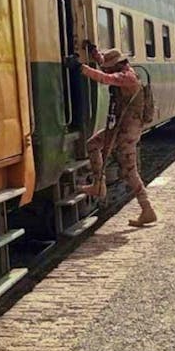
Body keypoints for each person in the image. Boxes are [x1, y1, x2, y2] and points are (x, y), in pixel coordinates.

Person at [65, 42, 157, 227]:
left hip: (127, 131)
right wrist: (94, 53)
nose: (106, 67)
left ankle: (147, 209)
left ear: (118, 65)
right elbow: (105, 67)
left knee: (129, 170)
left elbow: (106, 78)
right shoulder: (123, 70)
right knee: (93, 145)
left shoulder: (128, 77)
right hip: (119, 128)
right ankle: (99, 184)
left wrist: (81, 68)